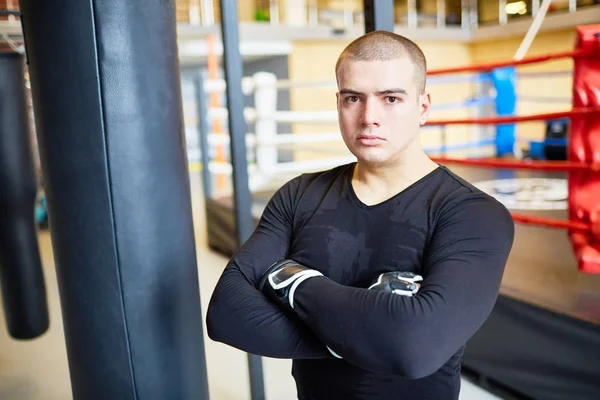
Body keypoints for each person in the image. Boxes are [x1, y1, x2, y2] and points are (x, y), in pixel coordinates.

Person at [206, 30, 515, 400]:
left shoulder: (473, 215)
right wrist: (367, 333)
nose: (369, 117)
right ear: (338, 102)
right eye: (354, 98)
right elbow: (226, 314)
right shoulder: (299, 195)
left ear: (423, 107)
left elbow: (415, 348)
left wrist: (295, 284)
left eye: (391, 98)